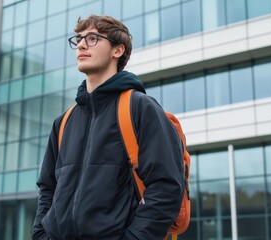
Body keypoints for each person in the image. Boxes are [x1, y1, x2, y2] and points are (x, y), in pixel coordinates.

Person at [32, 15, 184, 240]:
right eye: (78, 39)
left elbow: (166, 187)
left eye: (93, 38)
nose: (81, 44)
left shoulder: (141, 108)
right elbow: (47, 189)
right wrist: (41, 235)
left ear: (118, 50)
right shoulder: (63, 122)